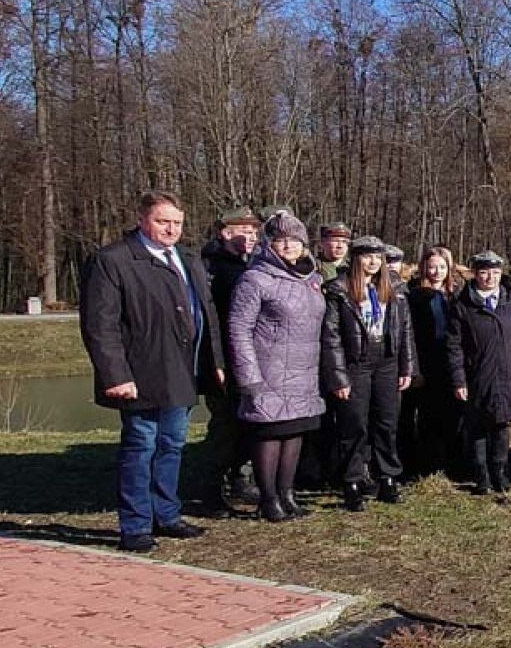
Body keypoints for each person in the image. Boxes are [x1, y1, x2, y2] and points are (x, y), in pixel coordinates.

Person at [80, 191, 222, 552]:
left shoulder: (188, 259)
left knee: (172, 444)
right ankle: (136, 525)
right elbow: (101, 325)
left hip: (183, 371)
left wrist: (215, 362)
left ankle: (167, 515)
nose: (171, 229)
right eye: (163, 221)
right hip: (140, 373)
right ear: (143, 220)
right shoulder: (114, 260)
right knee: (141, 446)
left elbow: (207, 315)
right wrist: (115, 375)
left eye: (177, 222)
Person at [227, 210, 328, 523]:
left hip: (304, 370)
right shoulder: (254, 279)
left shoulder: (312, 280)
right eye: (281, 241)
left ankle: (287, 494)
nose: (289, 246)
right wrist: (249, 376)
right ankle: (268, 498)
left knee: (294, 430)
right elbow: (238, 328)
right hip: (268, 369)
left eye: (295, 241)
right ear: (269, 244)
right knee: (270, 432)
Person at [322, 236, 417, 510]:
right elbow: (332, 337)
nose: (374, 262)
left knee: (387, 422)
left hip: (386, 361)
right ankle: (352, 480)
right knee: (355, 424)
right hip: (356, 363)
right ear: (356, 259)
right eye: (367, 257)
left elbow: (405, 330)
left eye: (378, 257)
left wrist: (406, 366)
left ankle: (387, 477)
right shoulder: (339, 290)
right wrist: (339, 376)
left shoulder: (395, 288)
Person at [447, 251, 511, 496]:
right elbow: (454, 346)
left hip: (508, 372)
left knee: (502, 425)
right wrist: (459, 379)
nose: (490, 278)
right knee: (477, 426)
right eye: (485, 272)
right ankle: (481, 477)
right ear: (475, 274)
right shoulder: (463, 305)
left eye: (495, 272)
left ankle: (500, 472)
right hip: (477, 373)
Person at [193, 206, 262, 514]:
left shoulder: (253, 264)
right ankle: (211, 488)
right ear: (225, 233)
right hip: (223, 360)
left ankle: (241, 479)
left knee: (249, 424)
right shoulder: (209, 267)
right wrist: (216, 362)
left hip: (252, 359)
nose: (250, 237)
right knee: (224, 426)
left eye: (254, 232)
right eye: (242, 232)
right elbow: (209, 321)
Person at [402, 245, 464, 481]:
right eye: (431, 267)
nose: (436, 271)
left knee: (452, 415)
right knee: (426, 417)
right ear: (423, 268)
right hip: (425, 363)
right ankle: (424, 466)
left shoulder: (457, 295)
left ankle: (451, 464)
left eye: (441, 266)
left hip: (452, 363)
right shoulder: (414, 295)